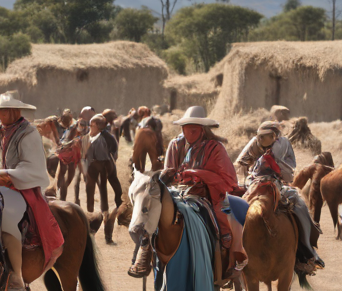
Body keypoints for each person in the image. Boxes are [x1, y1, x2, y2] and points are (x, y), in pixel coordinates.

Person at [129, 106, 243, 278]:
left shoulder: (215, 148)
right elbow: (169, 170)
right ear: (183, 127)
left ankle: (227, 253)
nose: (190, 130)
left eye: (194, 126)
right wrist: (167, 175)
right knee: (152, 204)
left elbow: (226, 178)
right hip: (175, 191)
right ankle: (145, 248)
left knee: (222, 216)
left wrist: (197, 175)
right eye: (187, 126)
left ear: (202, 128)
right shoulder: (175, 144)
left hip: (204, 193)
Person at [0, 92, 64, 291]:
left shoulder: (28, 133)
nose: (0, 114)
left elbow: (32, 167)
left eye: (4, 110)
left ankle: (16, 277)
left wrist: (0, 174)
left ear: (15, 111)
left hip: (22, 188)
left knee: (7, 216)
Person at [235, 120, 324, 273]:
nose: (262, 140)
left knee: (299, 204)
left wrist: (275, 171)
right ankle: (234, 254)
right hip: (254, 182)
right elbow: (240, 163)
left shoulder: (283, 143)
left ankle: (307, 254)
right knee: (237, 207)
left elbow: (289, 170)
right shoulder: (254, 143)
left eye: (267, 136)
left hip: (278, 183)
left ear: (275, 136)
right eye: (260, 136)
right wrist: (249, 171)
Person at [84, 114, 123, 214]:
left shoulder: (108, 137)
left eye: (92, 126)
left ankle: (115, 204)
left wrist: (111, 160)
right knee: (90, 187)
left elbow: (114, 150)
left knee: (110, 183)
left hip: (105, 164)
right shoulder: (89, 136)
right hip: (92, 165)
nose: (90, 128)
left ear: (98, 126)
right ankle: (90, 211)